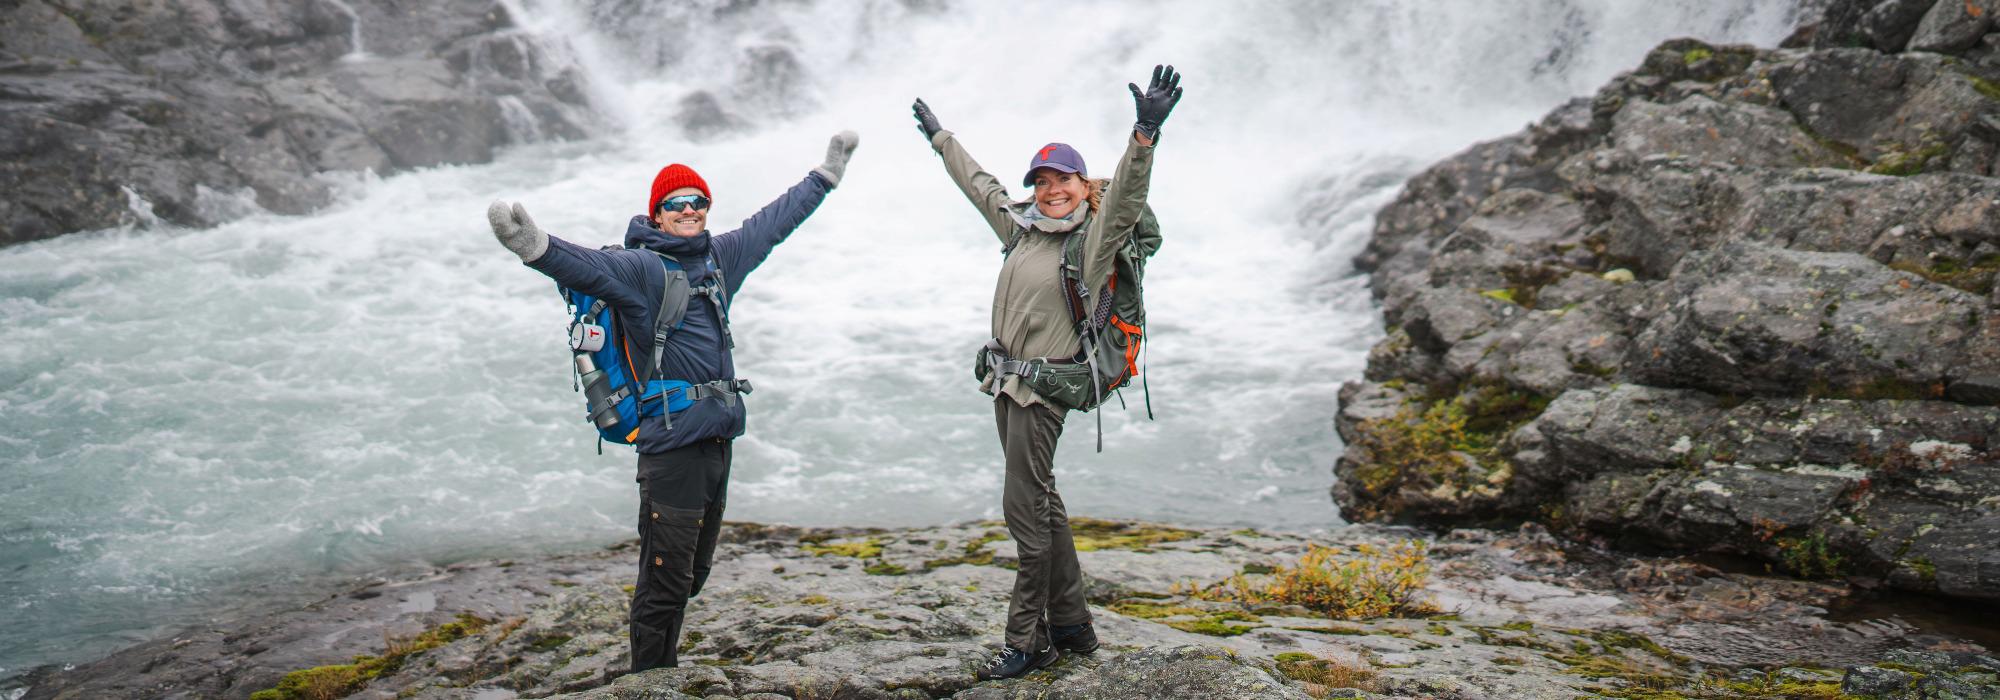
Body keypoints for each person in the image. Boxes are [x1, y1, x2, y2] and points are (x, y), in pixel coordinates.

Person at [485, 131, 859, 673]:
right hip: (671, 449)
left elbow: (772, 223)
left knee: (691, 575)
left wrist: (823, 178)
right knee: (664, 582)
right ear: (657, 214)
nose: (689, 209)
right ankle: (650, 680)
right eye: (676, 203)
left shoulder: (719, 258)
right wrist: (533, 245)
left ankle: (660, 668)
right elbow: (587, 266)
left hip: (716, 441)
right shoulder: (643, 269)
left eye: (697, 200)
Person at [911, 65, 1182, 680]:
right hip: (1006, 385)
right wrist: (941, 139)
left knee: (1025, 512)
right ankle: (1073, 624)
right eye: (1041, 180)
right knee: (1044, 502)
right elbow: (980, 187)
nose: (1051, 189)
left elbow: (1126, 199)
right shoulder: (1023, 229)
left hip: (1042, 392)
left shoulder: (1091, 243)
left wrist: (1144, 134)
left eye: (1063, 179)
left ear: (1084, 186)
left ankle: (1029, 641)